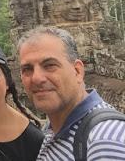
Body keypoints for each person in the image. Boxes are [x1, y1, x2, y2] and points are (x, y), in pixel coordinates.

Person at [17, 26, 125, 160]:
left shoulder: (106, 140)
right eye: (27, 69)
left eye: (49, 65)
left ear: (77, 71)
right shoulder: (52, 129)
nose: (37, 78)